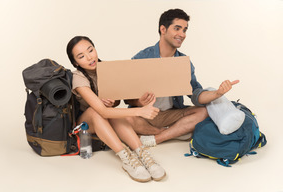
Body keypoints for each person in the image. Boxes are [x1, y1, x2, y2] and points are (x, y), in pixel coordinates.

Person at [124, 8, 239, 147]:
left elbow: (196, 95)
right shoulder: (142, 58)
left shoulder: (184, 62)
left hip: (170, 114)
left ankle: (156, 138)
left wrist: (217, 93)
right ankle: (171, 132)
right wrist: (139, 102)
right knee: (124, 117)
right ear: (163, 29)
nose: (182, 34)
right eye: (177, 28)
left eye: (184, 30)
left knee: (203, 112)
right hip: (145, 115)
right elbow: (127, 97)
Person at [66, 36, 166, 182]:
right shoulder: (78, 77)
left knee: (112, 114)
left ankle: (142, 153)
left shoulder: (108, 68)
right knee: (97, 112)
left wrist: (113, 101)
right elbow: (102, 111)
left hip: (105, 119)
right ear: (76, 62)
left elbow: (116, 103)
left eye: (90, 50)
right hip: (85, 124)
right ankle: (126, 158)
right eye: (81, 56)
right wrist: (140, 111)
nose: (89, 57)